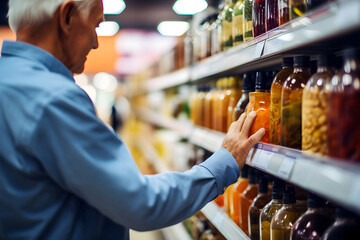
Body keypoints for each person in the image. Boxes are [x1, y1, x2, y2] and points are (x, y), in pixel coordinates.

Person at [0, 0, 265, 239]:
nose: (95, 42)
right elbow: (141, 203)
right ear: (67, 16)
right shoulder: (53, 98)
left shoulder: (9, 81)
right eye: (96, 26)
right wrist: (224, 161)